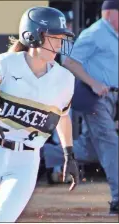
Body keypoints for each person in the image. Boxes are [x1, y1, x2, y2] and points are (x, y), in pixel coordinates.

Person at [0, 6, 80, 223]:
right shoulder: (4, 63)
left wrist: (68, 155)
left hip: (27, 160)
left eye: (62, 38)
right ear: (33, 36)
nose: (60, 44)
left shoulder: (65, 79)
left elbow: (62, 117)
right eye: (55, 37)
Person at [42, 0, 118, 214]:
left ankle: (42, 153)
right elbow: (67, 63)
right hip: (85, 96)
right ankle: (118, 198)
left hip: (100, 97)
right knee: (110, 144)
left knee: (91, 148)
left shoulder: (99, 36)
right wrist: (92, 83)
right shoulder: (90, 35)